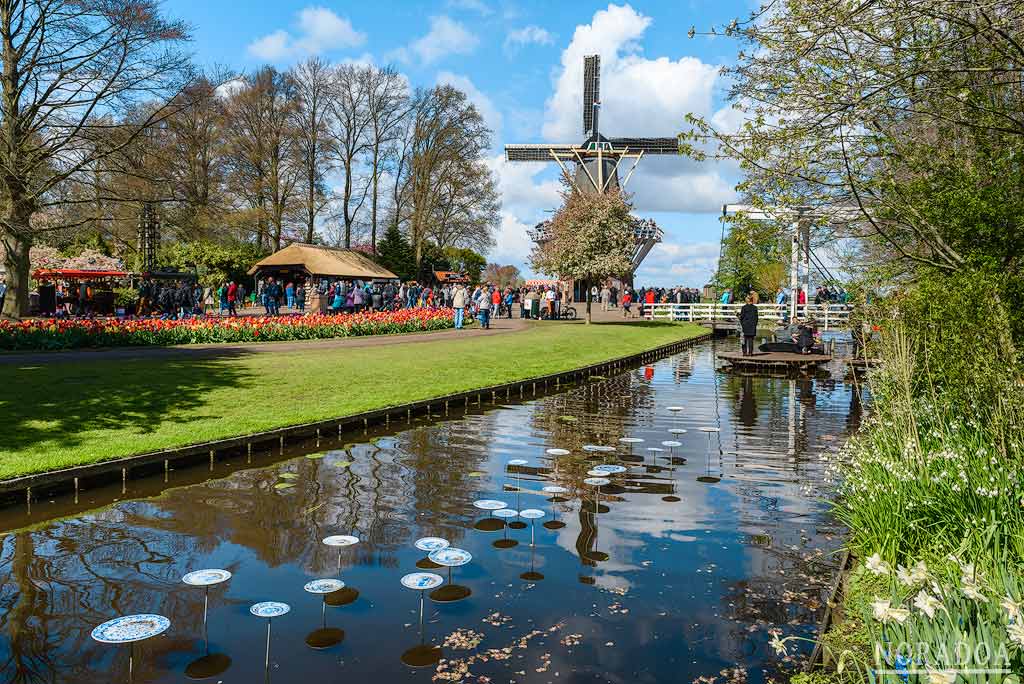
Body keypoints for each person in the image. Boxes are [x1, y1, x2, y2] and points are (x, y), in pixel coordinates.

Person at [738, 292, 759, 356]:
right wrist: (755, 324)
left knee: (744, 340)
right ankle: (750, 353)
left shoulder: (744, 308)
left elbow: (741, 317)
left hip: (745, 326)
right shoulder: (755, 308)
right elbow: (756, 318)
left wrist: (738, 316)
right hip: (752, 326)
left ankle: (744, 353)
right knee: (751, 340)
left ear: (746, 300)